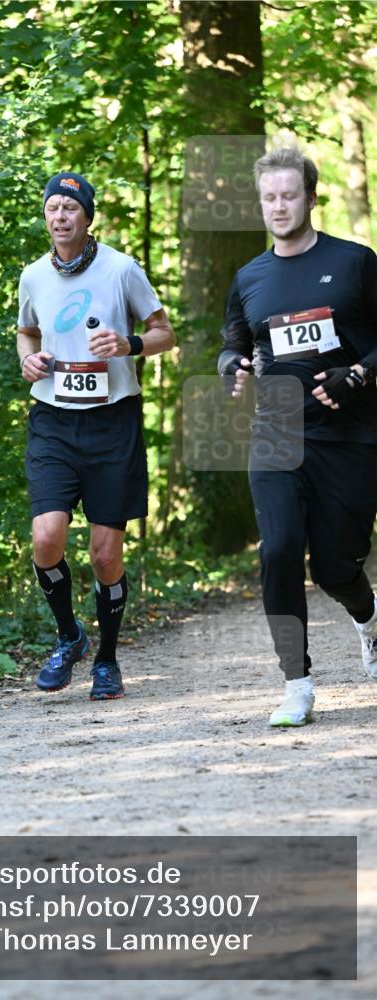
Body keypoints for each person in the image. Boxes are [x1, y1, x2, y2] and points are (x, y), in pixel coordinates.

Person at [218, 146, 377, 726]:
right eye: (269, 197)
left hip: (352, 439)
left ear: (311, 197)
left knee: (334, 568)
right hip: (277, 435)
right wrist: (229, 364)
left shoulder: (357, 262)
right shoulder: (249, 278)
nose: (279, 206)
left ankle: (369, 616)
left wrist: (357, 373)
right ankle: (297, 682)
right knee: (280, 549)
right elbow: (234, 341)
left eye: (290, 195)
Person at [17, 171, 174, 700]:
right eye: (52, 208)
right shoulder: (33, 275)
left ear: (87, 217)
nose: (60, 217)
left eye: (70, 208)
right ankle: (69, 637)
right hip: (54, 421)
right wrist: (29, 359)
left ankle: (107, 659)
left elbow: (164, 332)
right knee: (46, 537)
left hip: (113, 421)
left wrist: (129, 344)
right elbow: (26, 331)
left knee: (106, 556)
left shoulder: (121, 269)